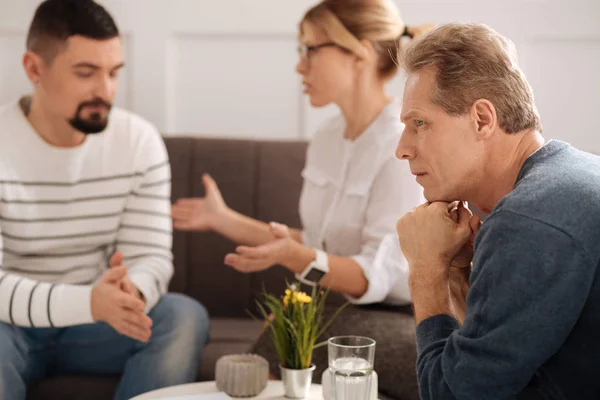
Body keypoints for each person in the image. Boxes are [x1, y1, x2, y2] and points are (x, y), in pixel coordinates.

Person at [171, 1, 429, 398]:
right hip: (341, 311)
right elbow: (319, 243)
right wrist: (224, 220)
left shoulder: (400, 144)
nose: (299, 66)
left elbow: (372, 276)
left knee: (283, 341)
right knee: (286, 335)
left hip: (399, 319)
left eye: (311, 49)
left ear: (359, 53)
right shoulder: (328, 138)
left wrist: (295, 267)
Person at [0, 1, 209, 399]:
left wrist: (132, 293)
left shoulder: (138, 143)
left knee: (181, 316)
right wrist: (88, 302)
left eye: (113, 73)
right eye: (86, 73)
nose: (105, 91)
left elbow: (151, 258)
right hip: (8, 326)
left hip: (99, 325)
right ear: (34, 69)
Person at [395, 22, 600, 399]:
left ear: (482, 119)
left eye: (419, 123)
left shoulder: (528, 222)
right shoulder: (570, 177)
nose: (402, 148)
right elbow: (481, 368)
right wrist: (451, 273)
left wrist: (424, 272)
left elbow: (452, 396)